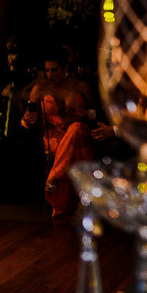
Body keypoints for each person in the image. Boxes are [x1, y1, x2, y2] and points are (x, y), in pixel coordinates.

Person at [20, 49, 95, 217]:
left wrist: (82, 113)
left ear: (64, 69)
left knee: (76, 128)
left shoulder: (79, 86)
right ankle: (68, 199)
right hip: (54, 137)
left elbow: (97, 114)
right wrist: (26, 121)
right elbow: (27, 117)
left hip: (80, 134)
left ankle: (54, 177)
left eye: (54, 70)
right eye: (47, 70)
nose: (50, 74)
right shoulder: (39, 88)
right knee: (68, 140)